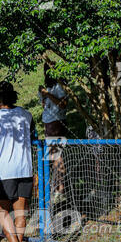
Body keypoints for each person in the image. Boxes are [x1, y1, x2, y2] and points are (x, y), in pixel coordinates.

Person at [0, 81, 37, 242]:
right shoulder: (27, 115)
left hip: (5, 171)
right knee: (21, 213)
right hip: (25, 169)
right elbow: (34, 138)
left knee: (3, 212)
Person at [38, 66, 68, 201]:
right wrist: (43, 96)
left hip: (56, 123)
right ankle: (58, 187)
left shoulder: (59, 86)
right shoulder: (48, 86)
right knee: (53, 156)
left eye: (48, 71)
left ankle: (60, 190)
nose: (46, 74)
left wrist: (47, 94)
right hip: (48, 123)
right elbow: (46, 106)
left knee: (57, 155)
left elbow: (63, 104)